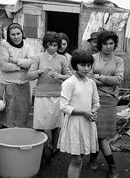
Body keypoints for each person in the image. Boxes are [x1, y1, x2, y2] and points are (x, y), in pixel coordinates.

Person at [27, 31, 71, 165]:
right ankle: (38, 153)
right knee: (39, 126)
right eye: (49, 45)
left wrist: (60, 76)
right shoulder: (38, 58)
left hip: (57, 96)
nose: (52, 48)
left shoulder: (63, 59)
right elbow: (29, 76)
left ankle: (53, 153)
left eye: (55, 45)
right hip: (41, 96)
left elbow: (69, 76)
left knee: (55, 126)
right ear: (45, 44)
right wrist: (39, 72)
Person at [58, 49, 100, 178]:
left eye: (88, 65)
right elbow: (63, 107)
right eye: (83, 65)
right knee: (76, 159)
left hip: (87, 123)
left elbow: (96, 102)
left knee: (81, 157)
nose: (86, 68)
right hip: (74, 124)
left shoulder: (91, 83)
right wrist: (83, 112)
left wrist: (92, 112)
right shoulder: (69, 83)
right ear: (75, 65)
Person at [89, 30, 124, 178]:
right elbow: (88, 78)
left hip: (110, 100)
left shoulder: (118, 61)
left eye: (111, 43)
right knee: (97, 133)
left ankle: (94, 160)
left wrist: (100, 77)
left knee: (101, 134)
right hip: (93, 99)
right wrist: (107, 79)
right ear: (100, 44)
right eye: (105, 43)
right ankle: (112, 167)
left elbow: (118, 80)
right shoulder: (92, 58)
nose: (109, 46)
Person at [0, 23, 34, 128]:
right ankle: (6, 141)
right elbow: (3, 66)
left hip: (24, 86)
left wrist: (15, 61)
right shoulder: (4, 45)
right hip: (8, 85)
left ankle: (18, 140)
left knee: (22, 116)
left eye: (18, 33)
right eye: (13, 34)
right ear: (8, 35)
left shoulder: (27, 47)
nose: (16, 37)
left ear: (22, 33)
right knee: (8, 117)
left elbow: (32, 63)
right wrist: (22, 66)